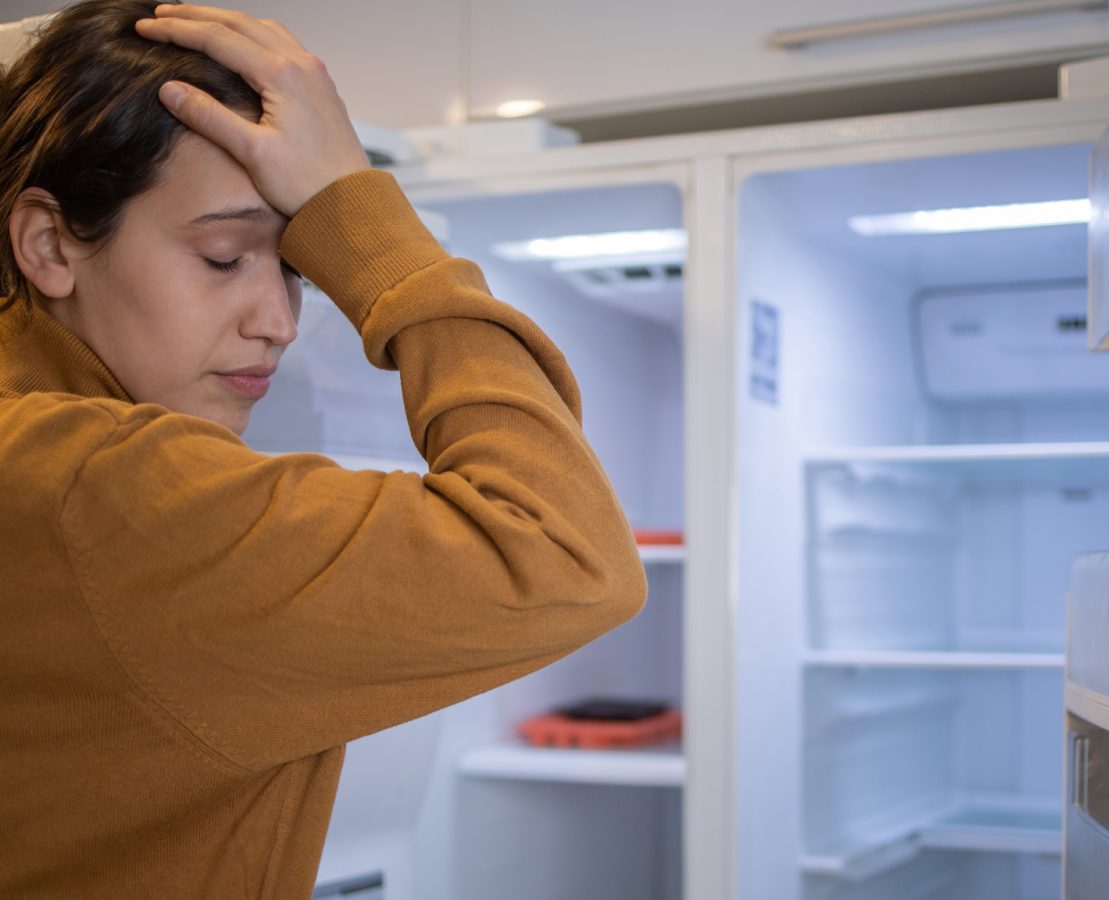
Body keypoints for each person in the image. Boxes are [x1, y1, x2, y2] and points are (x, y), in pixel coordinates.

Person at [0, 3, 648, 897]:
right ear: (48, 243)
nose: (279, 324)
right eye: (225, 257)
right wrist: (364, 223)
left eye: (297, 266)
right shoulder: (99, 488)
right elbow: (565, 550)